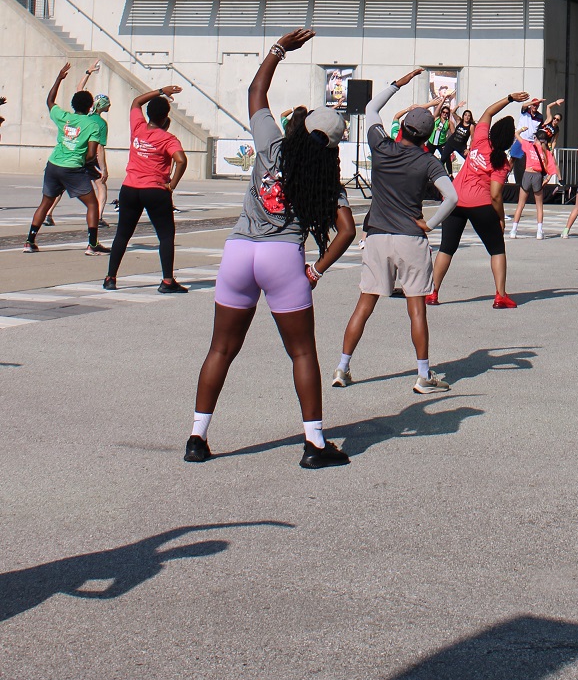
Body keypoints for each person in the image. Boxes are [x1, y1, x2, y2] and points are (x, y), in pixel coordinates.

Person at [184, 29, 355, 468]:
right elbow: (347, 231)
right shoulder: (325, 179)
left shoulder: (271, 146)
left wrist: (279, 49)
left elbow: (256, 92)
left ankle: (197, 438)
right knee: (302, 353)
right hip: (283, 258)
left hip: (240, 250)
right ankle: (314, 444)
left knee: (220, 349)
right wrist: (316, 270)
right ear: (333, 145)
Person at [333, 68, 458, 396]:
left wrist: (398, 83)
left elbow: (371, 108)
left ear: (402, 127)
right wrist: (430, 223)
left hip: (377, 235)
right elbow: (452, 197)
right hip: (410, 237)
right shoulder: (428, 161)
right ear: (426, 137)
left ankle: (343, 367)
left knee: (365, 304)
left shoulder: (381, 146)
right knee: (416, 308)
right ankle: (423, 375)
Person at [431, 90, 528, 308]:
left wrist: (509, 98)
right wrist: (500, 217)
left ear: (492, 132)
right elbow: (495, 194)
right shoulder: (502, 163)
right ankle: (500, 295)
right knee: (497, 249)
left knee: (446, 248)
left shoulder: (479, 139)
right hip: (480, 205)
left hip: (455, 200)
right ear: (509, 141)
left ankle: (432, 292)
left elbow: (488, 112)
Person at [104, 85, 189, 292]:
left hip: (130, 188)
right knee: (166, 235)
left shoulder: (138, 128)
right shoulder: (168, 139)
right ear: (166, 118)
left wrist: (161, 91)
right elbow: (181, 160)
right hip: (155, 190)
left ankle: (110, 278)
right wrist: (171, 185)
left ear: (149, 114)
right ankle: (167, 281)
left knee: (122, 234)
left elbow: (136, 102)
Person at [25, 63, 108, 255]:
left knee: (45, 203)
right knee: (92, 204)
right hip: (73, 168)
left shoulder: (64, 117)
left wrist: (59, 79)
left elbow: (50, 101)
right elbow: (91, 154)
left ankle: (29, 241)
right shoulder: (92, 125)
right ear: (90, 106)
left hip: (54, 164)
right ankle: (93, 244)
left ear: (73, 105)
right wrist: (85, 164)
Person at [510, 129, 550, 239]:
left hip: (527, 174)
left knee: (520, 204)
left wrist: (522, 129)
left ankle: (514, 230)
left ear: (535, 138)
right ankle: (539, 231)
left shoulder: (529, 146)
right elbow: (552, 167)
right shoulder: (546, 152)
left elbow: (516, 134)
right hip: (538, 176)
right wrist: (547, 179)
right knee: (539, 205)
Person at [444, 107, 474, 174]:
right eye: (465, 115)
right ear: (463, 116)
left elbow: (473, 138)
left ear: (470, 117)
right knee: (443, 158)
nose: (467, 117)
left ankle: (469, 174)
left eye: (469, 116)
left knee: (469, 160)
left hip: (461, 146)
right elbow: (452, 112)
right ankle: (449, 174)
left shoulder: (471, 126)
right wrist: (458, 106)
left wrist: (469, 149)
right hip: (451, 143)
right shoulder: (459, 121)